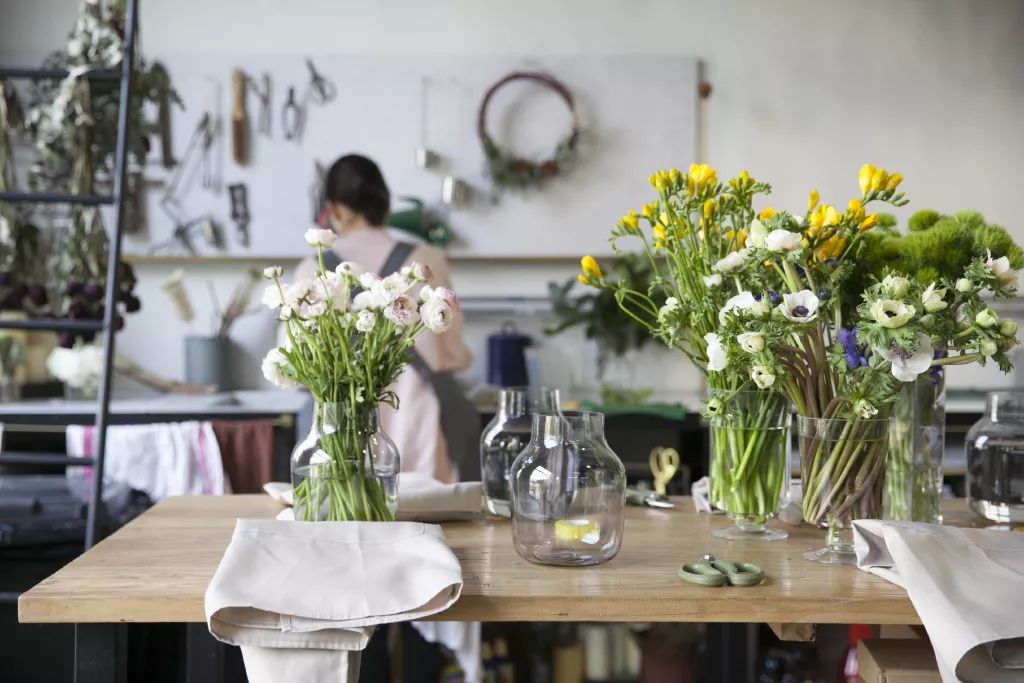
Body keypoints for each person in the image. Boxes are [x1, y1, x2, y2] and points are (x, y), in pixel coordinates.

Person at [294, 153, 476, 484]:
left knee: (340, 510)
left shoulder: (312, 269)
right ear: (384, 204)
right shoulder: (426, 261)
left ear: (335, 209)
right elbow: (451, 353)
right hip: (418, 419)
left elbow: (296, 370)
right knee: (425, 509)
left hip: (337, 431)